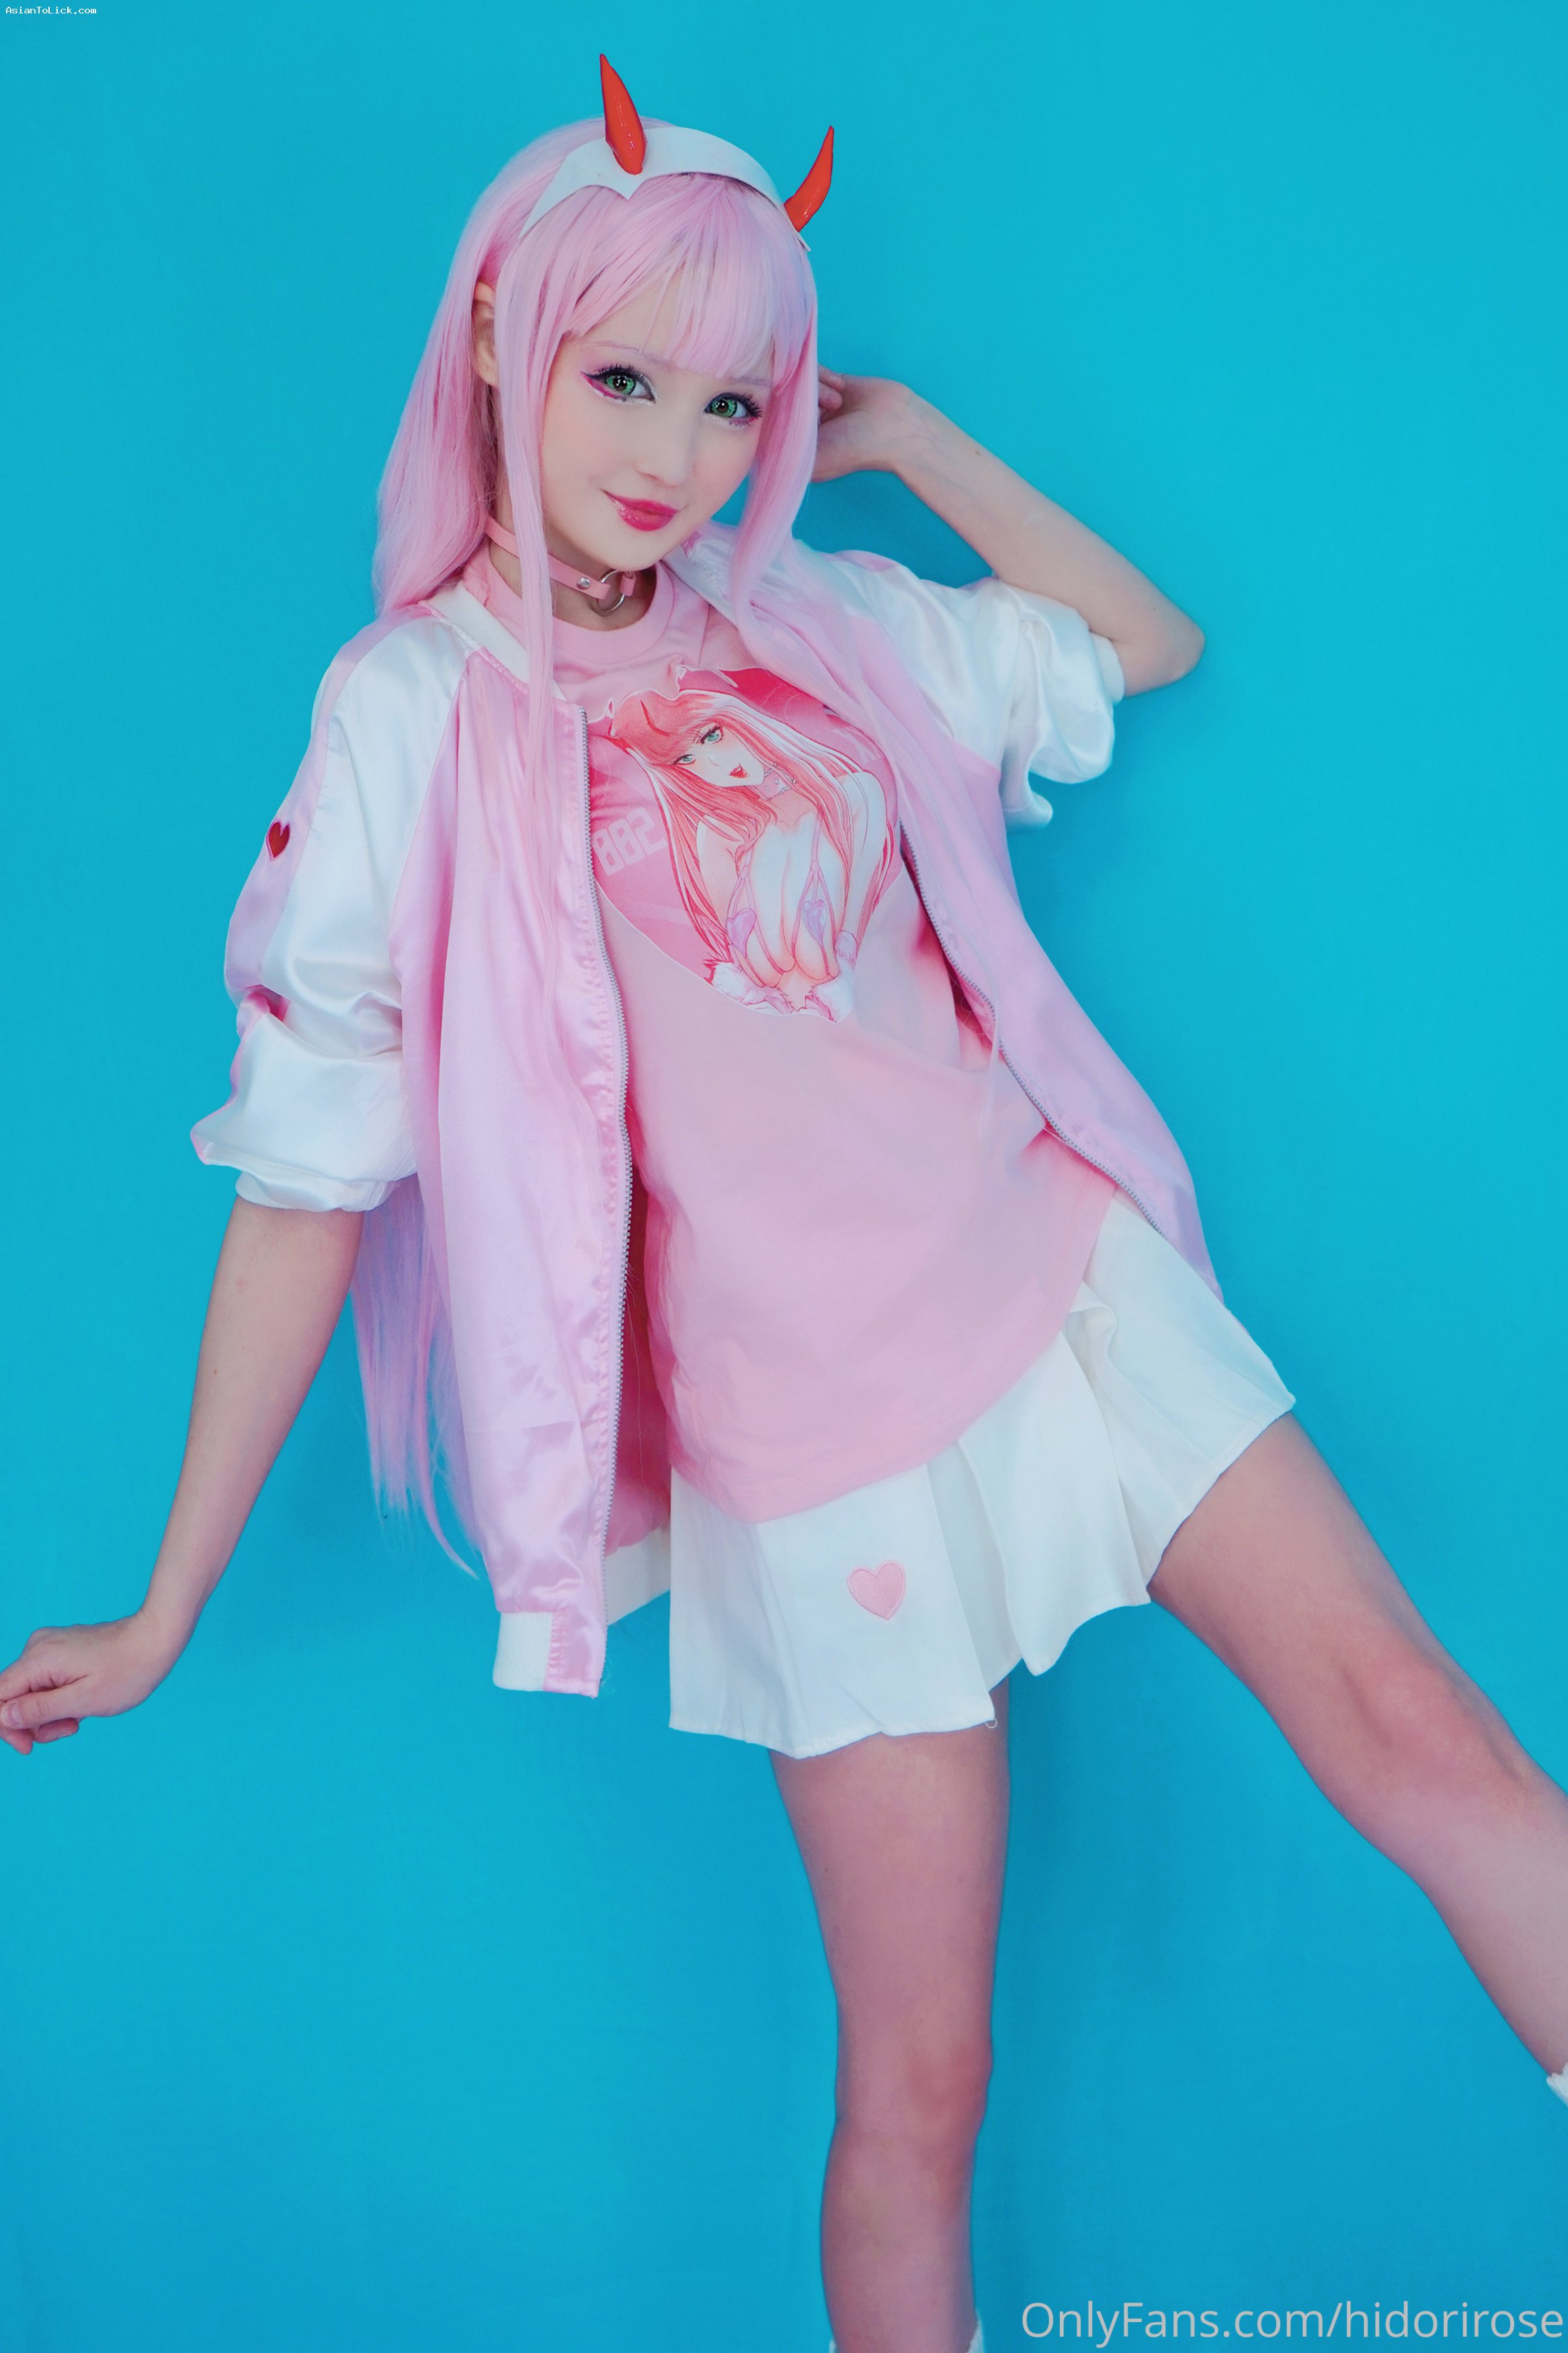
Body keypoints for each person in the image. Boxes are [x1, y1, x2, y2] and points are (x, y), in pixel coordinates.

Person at [3, 59, 1564, 2353]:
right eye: (625, 377)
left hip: (1068, 1288)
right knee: (921, 2087)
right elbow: (310, 1181)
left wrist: (906, 442)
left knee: (1433, 1737)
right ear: (501, 341)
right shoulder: (412, 712)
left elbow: (1141, 643)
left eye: (734, 399)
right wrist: (166, 1603)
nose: (678, 450)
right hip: (811, 1441)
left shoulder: (821, 617)